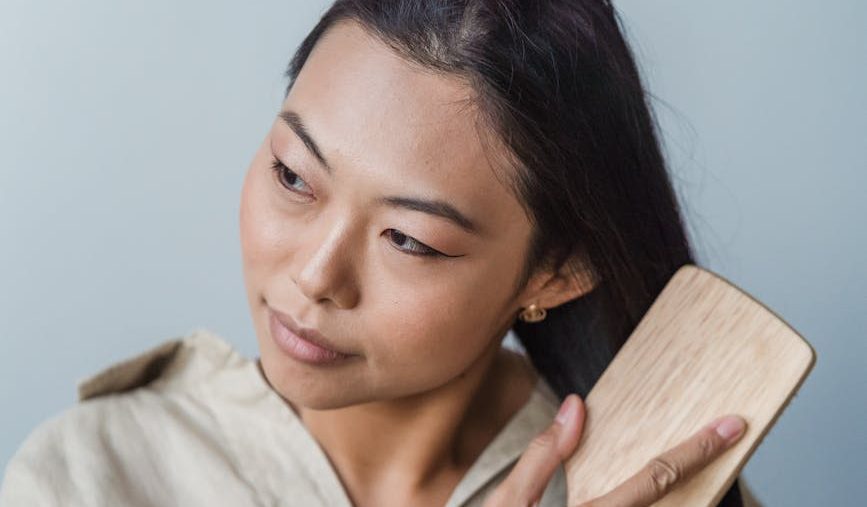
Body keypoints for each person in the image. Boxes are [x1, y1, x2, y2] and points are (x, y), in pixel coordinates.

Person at [0, 1, 759, 506]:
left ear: (558, 271)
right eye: (292, 176)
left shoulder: (636, 479)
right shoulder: (96, 473)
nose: (314, 276)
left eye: (408, 239)